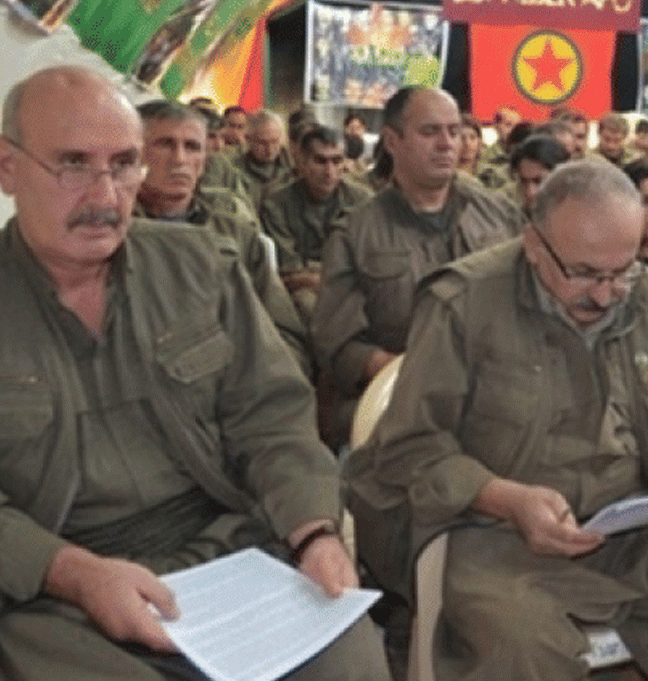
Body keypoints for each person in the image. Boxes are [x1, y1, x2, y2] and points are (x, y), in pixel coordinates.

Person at [345, 159, 648, 680]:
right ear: (535, 245)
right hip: (502, 538)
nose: (607, 293)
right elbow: (410, 448)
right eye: (586, 274)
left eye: (622, 271)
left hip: (637, 527)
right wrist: (506, 498)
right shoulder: (464, 304)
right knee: (517, 641)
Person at [0, 65, 390, 681]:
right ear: (7, 167)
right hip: (56, 588)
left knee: (350, 660)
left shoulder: (197, 265)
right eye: (73, 164)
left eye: (125, 164)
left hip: (225, 551)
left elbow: (273, 419)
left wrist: (313, 532)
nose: (104, 197)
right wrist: (72, 574)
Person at [312, 86, 521, 449]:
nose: (447, 144)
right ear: (392, 141)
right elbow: (338, 345)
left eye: (454, 131)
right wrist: (410, 372)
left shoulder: (499, 217)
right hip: (401, 402)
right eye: (430, 132)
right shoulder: (356, 234)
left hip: (497, 396)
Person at [133, 99, 311, 375]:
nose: (179, 159)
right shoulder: (112, 235)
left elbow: (285, 334)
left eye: (192, 147)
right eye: (165, 144)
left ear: (204, 160)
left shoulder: (237, 236)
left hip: (235, 385)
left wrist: (265, 386)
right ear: (134, 154)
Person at [260, 125, 374, 322]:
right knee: (309, 308)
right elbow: (288, 271)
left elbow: (371, 261)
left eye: (336, 161)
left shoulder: (363, 200)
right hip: (303, 293)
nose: (329, 171)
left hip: (355, 288)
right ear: (301, 162)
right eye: (320, 161)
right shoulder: (276, 203)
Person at [230, 110, 294, 212]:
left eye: (274, 141)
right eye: (262, 143)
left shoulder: (294, 168)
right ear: (248, 140)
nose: (269, 149)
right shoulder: (233, 170)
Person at [506, 133, 571, 210]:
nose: (530, 192)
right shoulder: (510, 217)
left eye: (538, 181)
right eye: (523, 182)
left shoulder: (582, 216)